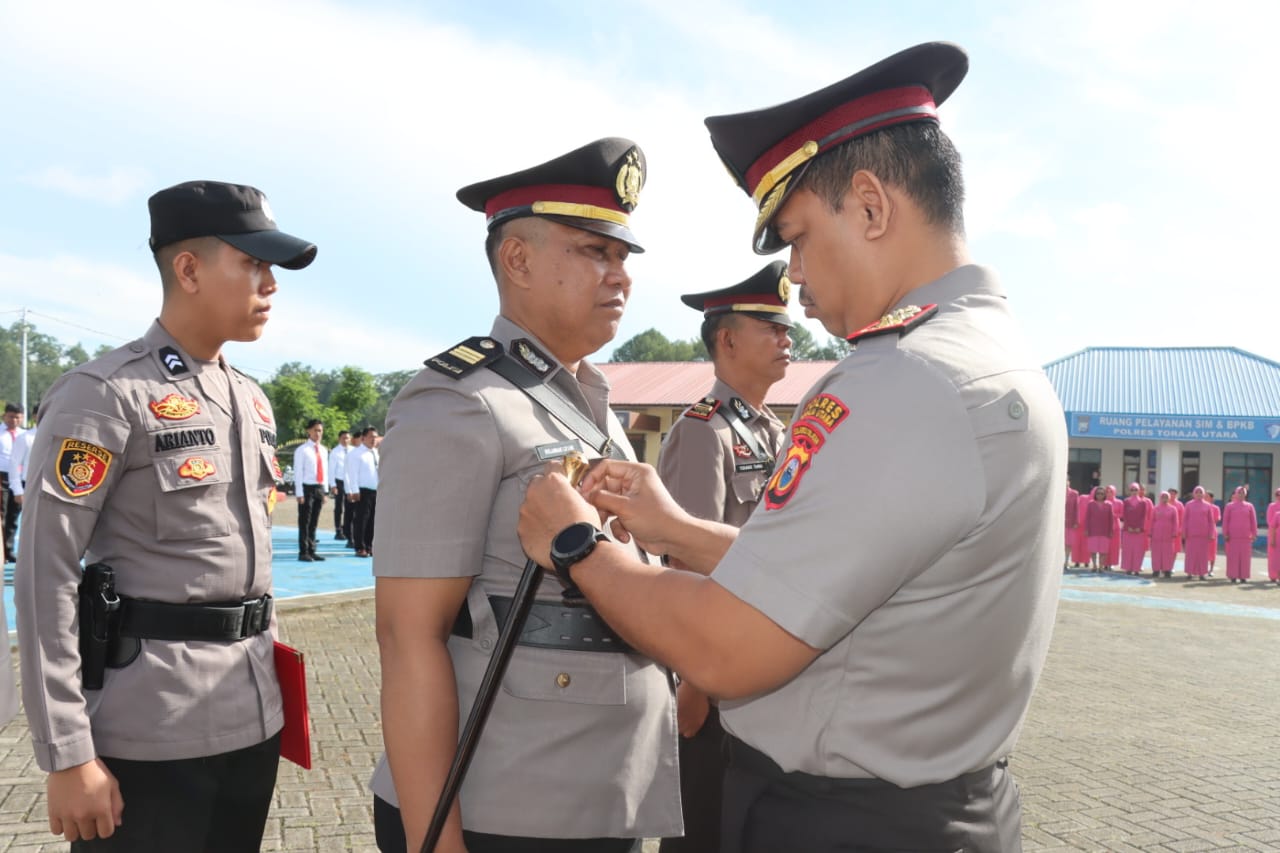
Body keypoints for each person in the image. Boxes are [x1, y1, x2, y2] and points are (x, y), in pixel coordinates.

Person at [518, 43, 1065, 853]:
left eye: (801, 239)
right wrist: (675, 530)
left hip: (840, 821)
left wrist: (577, 546)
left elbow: (727, 645)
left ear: (872, 207)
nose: (798, 281)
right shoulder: (986, 357)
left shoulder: (906, 379)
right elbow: (851, 570)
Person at [369, 137, 680, 853]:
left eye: (624, 257)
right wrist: (433, 840)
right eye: (592, 252)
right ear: (518, 259)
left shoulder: (595, 405)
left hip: (606, 795)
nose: (619, 276)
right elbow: (407, 636)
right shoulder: (461, 401)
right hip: (503, 809)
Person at [14, 179, 316, 850]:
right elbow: (45, 576)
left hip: (251, 716)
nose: (270, 284)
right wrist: (67, 751)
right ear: (189, 269)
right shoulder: (106, 394)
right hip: (149, 731)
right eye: (253, 263)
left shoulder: (251, 400)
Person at [656, 260, 793, 853]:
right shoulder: (704, 431)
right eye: (773, 328)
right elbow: (686, 556)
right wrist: (695, 679)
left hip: (757, 665)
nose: (789, 340)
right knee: (703, 828)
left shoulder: (771, 429)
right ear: (729, 339)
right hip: (714, 675)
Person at [292, 417, 329, 562]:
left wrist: (325, 491)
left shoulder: (324, 450)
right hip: (307, 488)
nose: (318, 433)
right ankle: (303, 551)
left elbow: (324, 471)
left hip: (319, 488)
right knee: (305, 521)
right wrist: (299, 492)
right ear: (308, 431)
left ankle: (312, 550)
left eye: (320, 430)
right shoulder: (302, 450)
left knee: (314, 522)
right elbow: (298, 472)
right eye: (315, 430)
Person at [345, 426, 379, 558]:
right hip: (362, 491)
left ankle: (369, 545)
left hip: (375, 490)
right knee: (361, 520)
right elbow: (351, 474)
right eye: (371, 437)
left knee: (372, 521)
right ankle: (359, 547)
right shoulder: (356, 453)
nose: (373, 439)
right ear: (363, 438)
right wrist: (354, 490)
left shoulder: (376, 453)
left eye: (375, 437)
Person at [0, 402, 27, 562]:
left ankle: (9, 550)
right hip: (1, 476)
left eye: (18, 417)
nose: (14, 420)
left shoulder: (25, 436)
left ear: (22, 418)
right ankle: (1, 551)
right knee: (1, 514)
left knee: (14, 515)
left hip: (19, 478)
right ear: (5, 416)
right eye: (11, 416)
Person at [1223, 485, 1257, 584]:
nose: (1241, 494)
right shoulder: (1229, 506)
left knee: (1245, 557)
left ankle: (1243, 576)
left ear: (1245, 494)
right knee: (1233, 557)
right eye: (1239, 492)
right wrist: (1225, 533)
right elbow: (1225, 521)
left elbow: (1253, 521)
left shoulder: (1249, 506)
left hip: (1246, 537)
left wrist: (1254, 533)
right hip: (1233, 537)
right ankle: (1233, 576)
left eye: (1243, 493)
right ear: (1236, 493)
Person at [1119, 482, 1152, 576]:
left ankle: (1136, 568)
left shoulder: (1143, 502)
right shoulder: (1126, 501)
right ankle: (1128, 568)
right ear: (1129, 491)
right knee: (1128, 550)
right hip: (1128, 530)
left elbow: (1143, 516)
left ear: (1139, 491)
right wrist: (1128, 526)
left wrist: (1140, 528)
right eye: (1132, 490)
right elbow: (1124, 515)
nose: (1134, 491)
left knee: (1138, 550)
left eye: (1136, 490)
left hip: (1139, 531)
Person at [1182, 486, 1214, 580]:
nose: (1199, 494)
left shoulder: (1207, 505)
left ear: (1204, 494)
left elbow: (1210, 521)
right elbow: (1185, 520)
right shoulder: (1188, 505)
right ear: (1194, 494)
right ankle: (1189, 573)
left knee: (1203, 555)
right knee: (1190, 554)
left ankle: (1202, 573)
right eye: (1197, 492)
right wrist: (1184, 532)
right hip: (1191, 535)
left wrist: (1211, 533)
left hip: (1203, 535)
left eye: (1201, 492)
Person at [329, 429, 352, 542]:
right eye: (343, 438)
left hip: (351, 482)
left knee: (350, 507)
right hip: (339, 481)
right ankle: (338, 529)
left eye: (347, 438)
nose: (346, 440)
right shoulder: (335, 452)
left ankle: (347, 529)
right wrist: (333, 485)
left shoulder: (353, 450)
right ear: (339, 439)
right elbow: (331, 470)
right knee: (339, 507)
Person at [1150, 491, 1180, 578]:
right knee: (1156, 552)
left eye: (1166, 497)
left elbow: (1175, 522)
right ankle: (1156, 570)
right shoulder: (1155, 508)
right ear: (1160, 498)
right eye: (1163, 497)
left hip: (1168, 533)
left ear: (1169, 498)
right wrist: (1150, 532)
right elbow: (1152, 521)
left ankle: (1167, 570)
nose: (1164, 499)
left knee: (1168, 553)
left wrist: (1175, 532)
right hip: (1157, 533)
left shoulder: (1173, 509)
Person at [1084, 486, 1114, 571]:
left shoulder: (1109, 505)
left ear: (1104, 495)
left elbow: (1111, 519)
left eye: (1101, 493)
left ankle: (1101, 566)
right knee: (1093, 550)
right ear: (1095, 494)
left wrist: (1111, 531)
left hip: (1105, 531)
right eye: (1098, 493)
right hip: (1093, 530)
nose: (1099, 495)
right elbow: (1087, 518)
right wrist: (1086, 529)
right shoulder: (1090, 504)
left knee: (1103, 551)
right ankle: (1094, 565)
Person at [1064, 479, 1079, 570]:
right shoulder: (1057, 492)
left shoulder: (1074, 493)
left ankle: (1066, 561)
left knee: (1068, 544)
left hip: (1070, 523)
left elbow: (1076, 508)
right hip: (1059, 522)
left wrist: (1076, 522)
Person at [1206, 490, 1221, 575]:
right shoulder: (1201, 506)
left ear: (1211, 498)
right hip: (1202, 531)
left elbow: (1217, 518)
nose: (1205, 497)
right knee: (1203, 550)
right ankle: (1202, 569)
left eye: (1207, 496)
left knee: (1212, 551)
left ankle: (1211, 570)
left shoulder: (1215, 508)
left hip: (1212, 531)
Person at [1267, 488, 1280, 585]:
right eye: (1278, 494)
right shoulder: (1272, 506)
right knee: (1273, 557)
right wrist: (1273, 537)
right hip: (1274, 534)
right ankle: (1273, 576)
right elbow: (1269, 521)